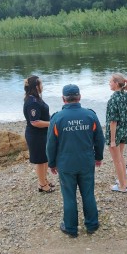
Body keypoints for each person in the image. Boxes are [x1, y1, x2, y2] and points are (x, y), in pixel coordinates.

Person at [46, 84, 105, 237]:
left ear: (63, 99)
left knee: (69, 195)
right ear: (79, 97)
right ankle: (92, 225)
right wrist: (98, 157)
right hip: (86, 161)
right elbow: (99, 139)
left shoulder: (57, 118)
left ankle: (71, 228)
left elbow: (51, 144)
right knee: (88, 193)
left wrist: (51, 163)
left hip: (66, 163)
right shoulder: (90, 115)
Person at [23, 75, 55, 193]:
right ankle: (41, 184)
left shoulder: (36, 98)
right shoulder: (32, 102)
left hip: (42, 134)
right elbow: (35, 122)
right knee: (40, 161)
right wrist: (52, 123)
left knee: (45, 158)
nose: (42, 86)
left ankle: (44, 179)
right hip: (36, 135)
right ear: (36, 86)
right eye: (41, 84)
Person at [105, 73, 127, 193]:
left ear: (116, 83)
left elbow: (113, 121)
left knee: (117, 160)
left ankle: (122, 186)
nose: (109, 84)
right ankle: (123, 181)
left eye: (110, 81)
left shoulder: (113, 98)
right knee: (121, 156)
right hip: (125, 130)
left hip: (116, 132)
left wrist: (112, 140)